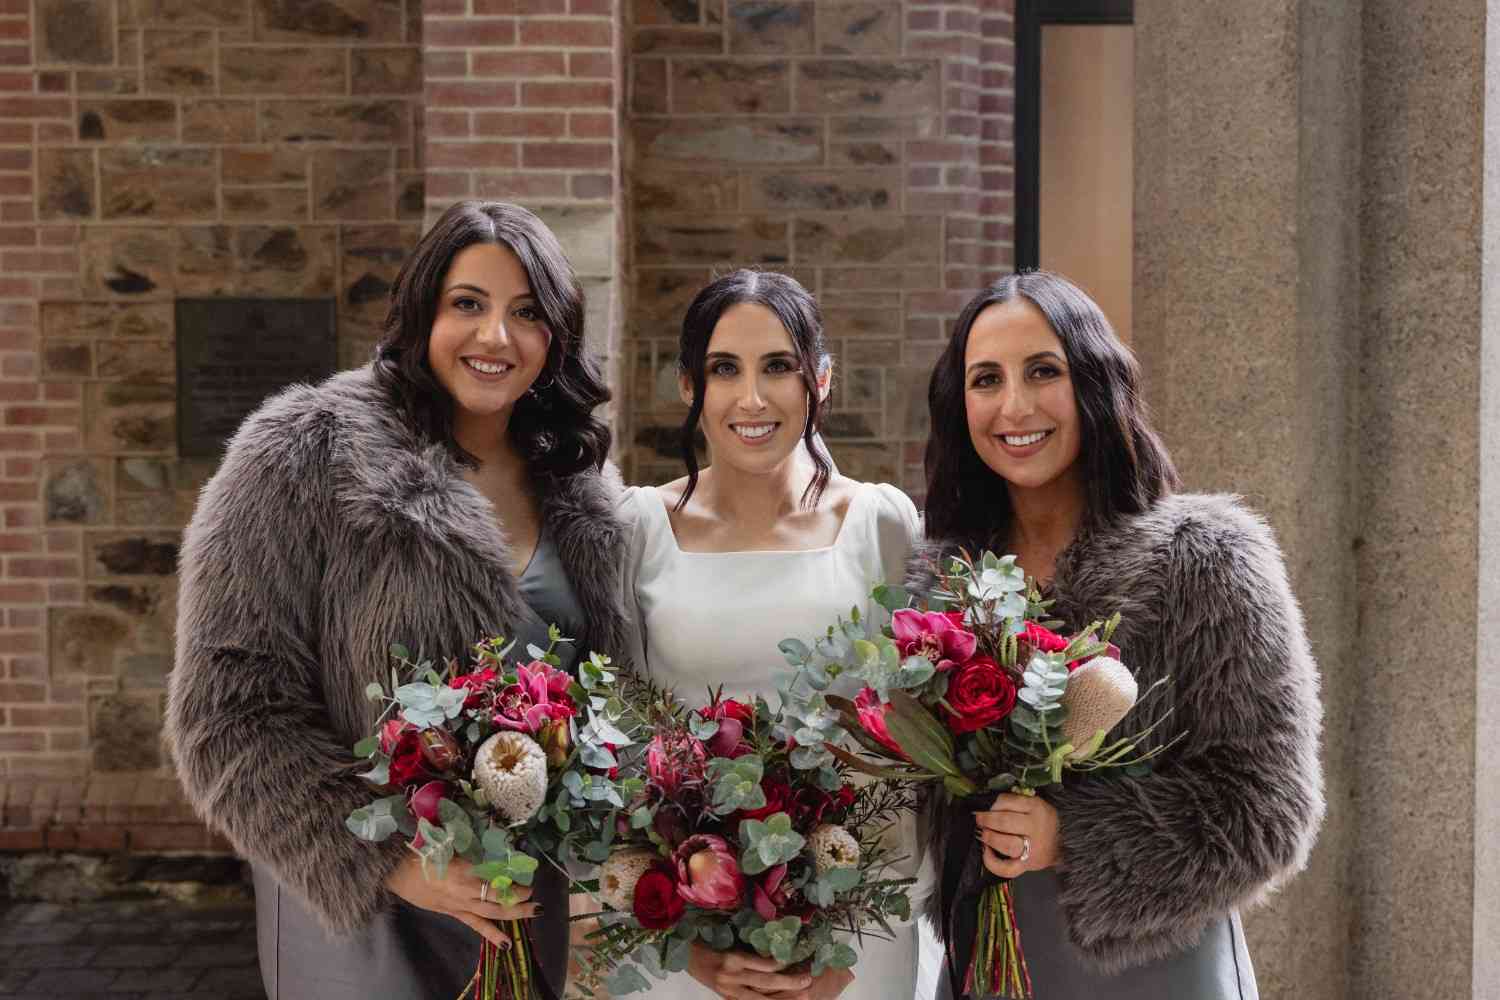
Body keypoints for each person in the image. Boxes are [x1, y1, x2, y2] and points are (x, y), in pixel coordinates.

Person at [164, 201, 633, 1000]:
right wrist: (392, 861)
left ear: (557, 336)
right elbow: (226, 713)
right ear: (421, 313)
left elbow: (608, 701)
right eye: (468, 303)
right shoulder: (301, 453)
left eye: (527, 312)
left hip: (525, 905)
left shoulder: (580, 485)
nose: (496, 336)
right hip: (363, 914)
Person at [910, 271, 1324, 999]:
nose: (1015, 405)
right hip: (987, 959)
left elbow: (1271, 807)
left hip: (1158, 970)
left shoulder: (1207, 558)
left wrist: (1072, 835)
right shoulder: (938, 581)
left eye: (1044, 371)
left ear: (1095, 382)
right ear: (959, 403)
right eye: (986, 379)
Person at [618, 269, 930, 1000]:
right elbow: (620, 741)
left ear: (821, 379)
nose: (752, 398)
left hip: (854, 942)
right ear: (689, 385)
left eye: (779, 366)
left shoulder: (882, 523)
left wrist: (854, 940)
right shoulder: (637, 528)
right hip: (687, 941)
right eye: (725, 369)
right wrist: (684, 940)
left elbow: (916, 746)